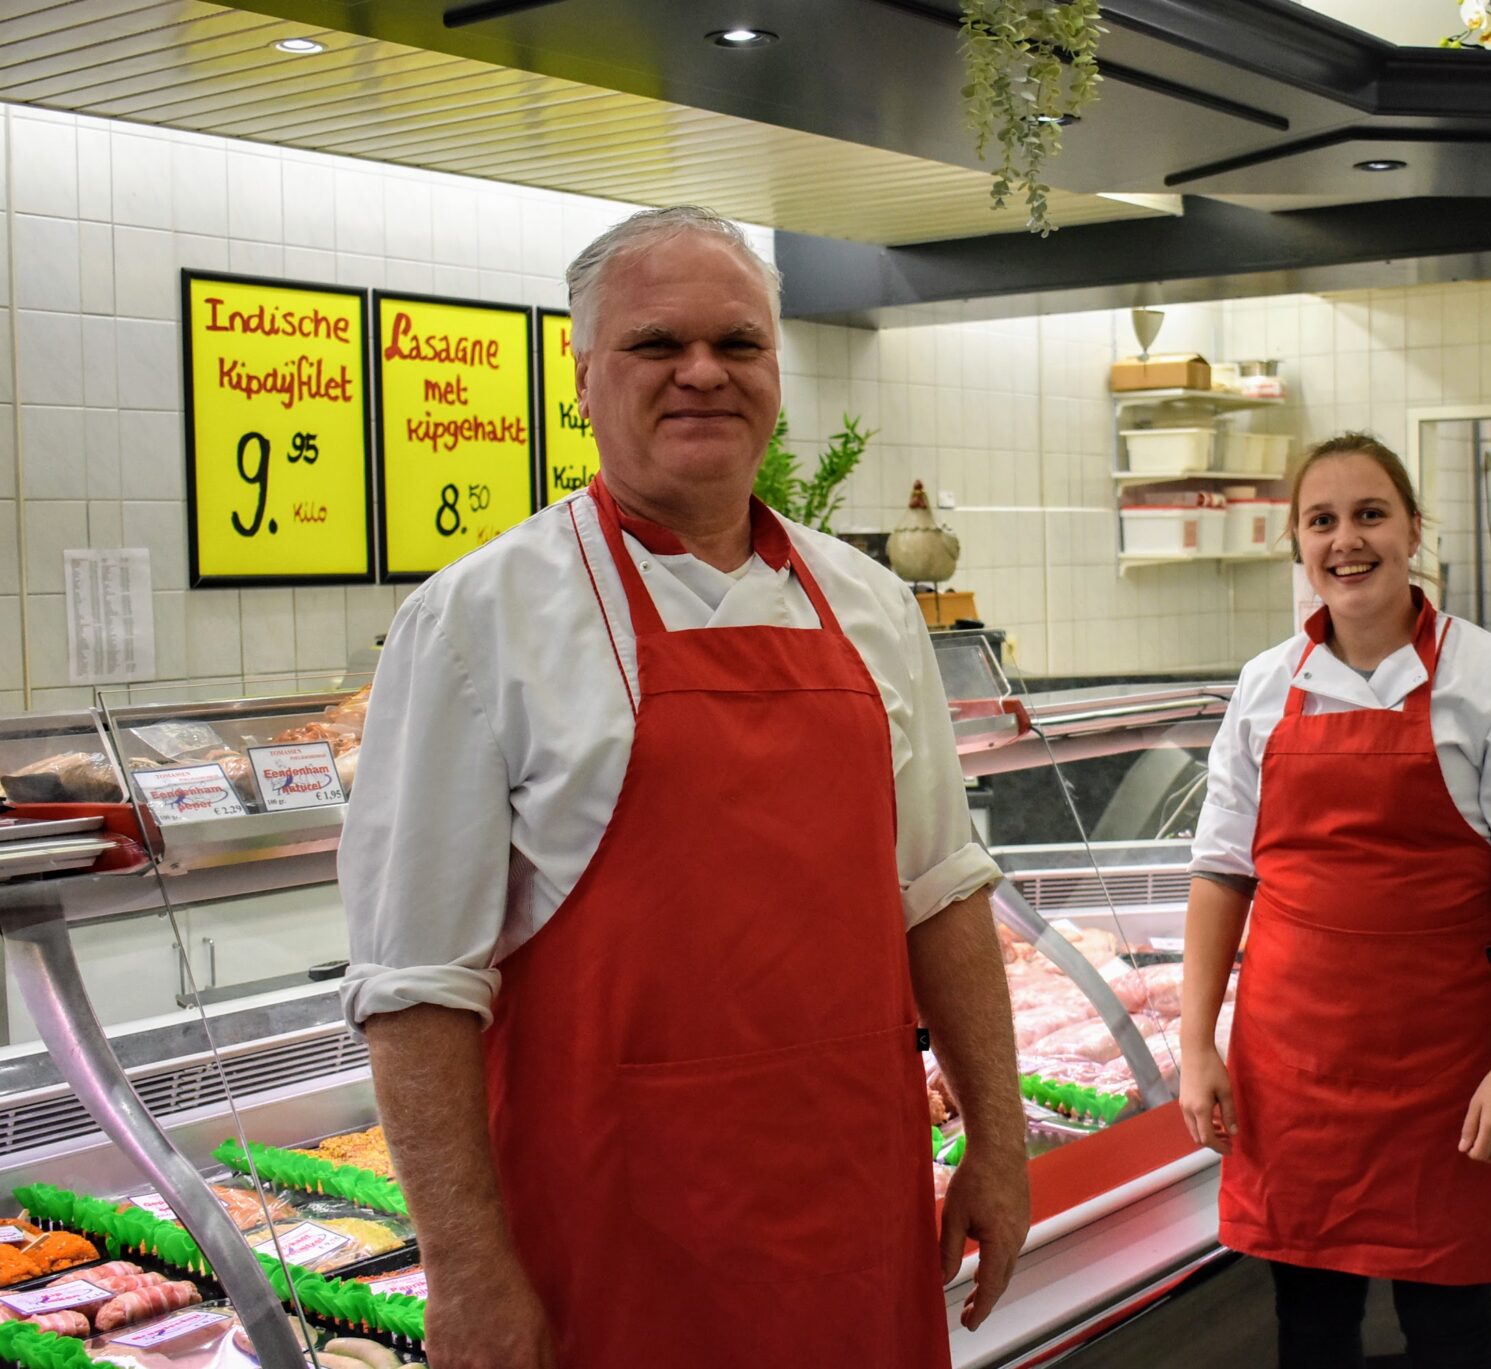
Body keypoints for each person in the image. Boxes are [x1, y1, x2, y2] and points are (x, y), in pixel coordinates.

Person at [338, 206, 1030, 1369]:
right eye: (657, 344)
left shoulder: (869, 605)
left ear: (774, 370)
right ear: (583, 373)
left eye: (738, 344)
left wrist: (998, 1149)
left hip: (854, 1227)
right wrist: (464, 1270)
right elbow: (415, 990)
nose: (702, 373)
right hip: (611, 1251)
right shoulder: (476, 621)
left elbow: (943, 900)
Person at [1177, 434, 1491, 1369]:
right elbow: (1220, 869)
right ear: (1297, 543)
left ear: (1412, 529)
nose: (1346, 540)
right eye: (1321, 520)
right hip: (1292, 1068)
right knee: (1311, 1325)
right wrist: (1196, 1041)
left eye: (1370, 514)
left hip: (1446, 1070)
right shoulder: (1263, 686)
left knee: (1449, 1329)